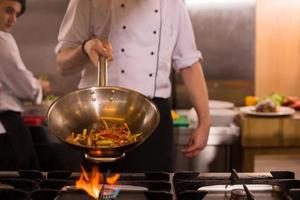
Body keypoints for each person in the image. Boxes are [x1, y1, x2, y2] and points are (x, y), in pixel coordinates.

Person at [55, 0, 211, 172]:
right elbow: (63, 63)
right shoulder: (87, 2)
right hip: (98, 116)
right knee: (97, 192)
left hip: (152, 119)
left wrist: (204, 122)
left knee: (154, 191)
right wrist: (85, 48)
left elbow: (188, 63)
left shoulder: (172, 3)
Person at [0, 0, 51, 170]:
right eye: (9, 11)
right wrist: (40, 86)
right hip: (6, 126)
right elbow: (23, 85)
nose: (13, 19)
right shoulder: (2, 39)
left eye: (16, 14)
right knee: (22, 187)